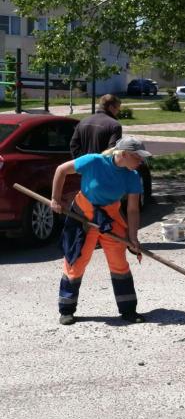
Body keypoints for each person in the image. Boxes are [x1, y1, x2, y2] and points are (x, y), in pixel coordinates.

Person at [51, 136, 151, 326]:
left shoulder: (133, 176)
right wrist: (55, 199)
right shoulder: (94, 161)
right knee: (76, 262)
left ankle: (128, 310)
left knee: (119, 264)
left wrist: (133, 237)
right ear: (124, 154)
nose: (141, 162)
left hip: (110, 218)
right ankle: (66, 310)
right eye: (138, 157)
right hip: (83, 216)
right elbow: (61, 170)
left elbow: (132, 209)